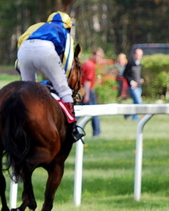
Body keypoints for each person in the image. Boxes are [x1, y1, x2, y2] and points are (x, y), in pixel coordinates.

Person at [16, 11, 84, 142]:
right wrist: (60, 80)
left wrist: (20, 70)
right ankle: (72, 128)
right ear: (68, 26)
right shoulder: (66, 33)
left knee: (27, 91)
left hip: (23, 51)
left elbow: (20, 43)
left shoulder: (35, 27)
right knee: (64, 90)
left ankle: (21, 122)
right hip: (45, 51)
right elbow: (68, 62)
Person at [81, 47, 104, 137]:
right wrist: (87, 95)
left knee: (77, 112)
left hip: (82, 90)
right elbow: (87, 81)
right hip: (88, 90)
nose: (100, 58)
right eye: (99, 56)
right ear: (93, 55)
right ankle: (97, 133)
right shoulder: (90, 65)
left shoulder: (86, 63)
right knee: (94, 112)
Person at [123, 48, 144, 120]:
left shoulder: (140, 63)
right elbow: (125, 74)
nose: (139, 56)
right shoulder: (130, 63)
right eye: (138, 54)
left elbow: (140, 74)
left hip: (139, 85)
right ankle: (135, 118)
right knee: (138, 101)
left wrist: (141, 79)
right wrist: (131, 81)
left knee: (135, 102)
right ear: (134, 54)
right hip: (132, 86)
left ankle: (127, 113)